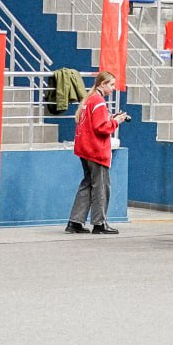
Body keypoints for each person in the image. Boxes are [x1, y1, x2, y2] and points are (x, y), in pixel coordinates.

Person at [67, 71, 119, 234]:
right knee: (101, 187)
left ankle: (75, 221)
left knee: (88, 184)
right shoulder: (99, 101)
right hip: (96, 150)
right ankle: (99, 223)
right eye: (111, 85)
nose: (113, 88)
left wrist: (110, 120)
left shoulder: (89, 100)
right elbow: (101, 127)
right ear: (102, 84)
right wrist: (115, 122)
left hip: (84, 149)